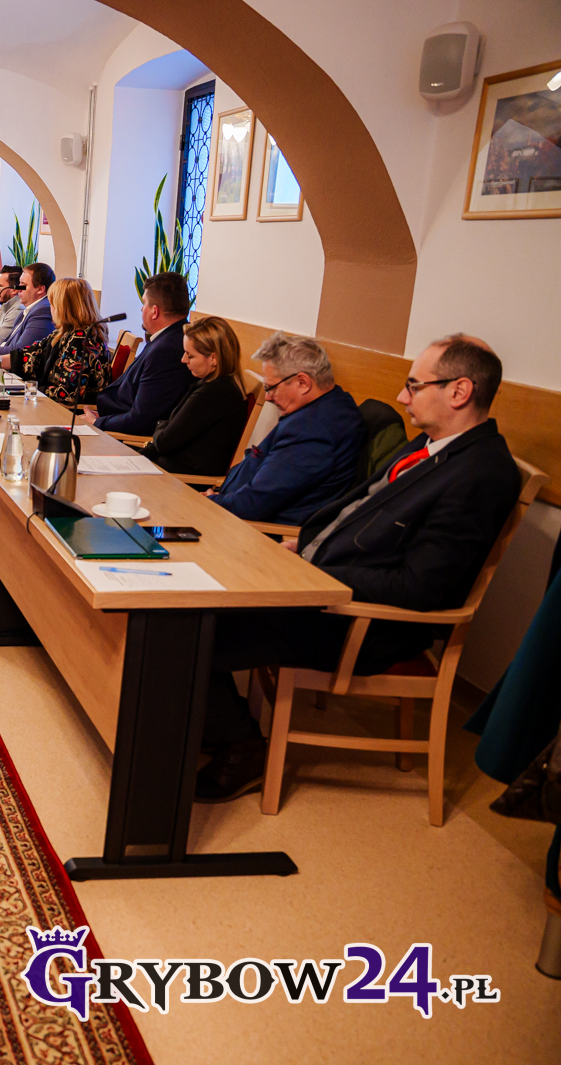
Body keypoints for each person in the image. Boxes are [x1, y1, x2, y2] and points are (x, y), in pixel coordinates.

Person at [196, 336, 522, 802]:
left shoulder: (482, 473)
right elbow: (356, 512)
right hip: (328, 583)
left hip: (364, 621)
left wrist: (315, 574)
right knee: (192, 610)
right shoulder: (431, 445)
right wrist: (306, 544)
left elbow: (421, 587)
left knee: (196, 628)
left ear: (460, 391)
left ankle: (241, 749)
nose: (402, 397)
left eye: (414, 385)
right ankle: (210, 724)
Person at [207, 332, 364, 526]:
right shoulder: (328, 407)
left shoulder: (313, 430)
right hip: (233, 511)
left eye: (271, 388)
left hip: (256, 531)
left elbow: (254, 503)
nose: (268, 397)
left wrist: (211, 502)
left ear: (302, 383)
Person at [139, 316, 251, 476]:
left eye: (190, 355)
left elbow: (165, 442)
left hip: (182, 479)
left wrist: (160, 424)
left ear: (213, 359)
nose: (183, 360)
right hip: (170, 468)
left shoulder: (213, 394)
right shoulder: (216, 386)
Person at [87, 271, 194, 433]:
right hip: (111, 418)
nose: (142, 308)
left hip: (124, 438)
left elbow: (141, 420)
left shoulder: (167, 350)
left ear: (154, 311)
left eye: (144, 303)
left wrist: (97, 423)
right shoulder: (167, 338)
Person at [5, 278, 109, 407]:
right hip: (55, 405)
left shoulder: (82, 342)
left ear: (63, 307)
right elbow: (30, 355)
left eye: (52, 304)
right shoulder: (66, 332)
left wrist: (29, 388)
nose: (50, 309)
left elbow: (66, 395)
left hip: (70, 412)